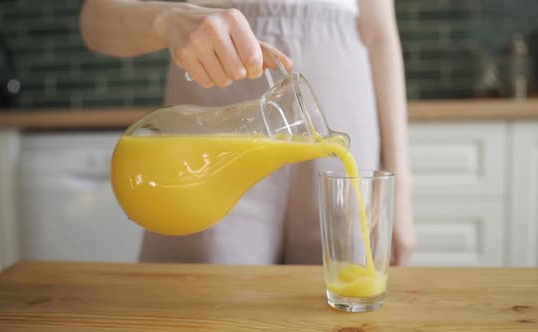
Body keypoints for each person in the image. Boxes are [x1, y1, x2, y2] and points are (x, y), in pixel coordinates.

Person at [80, 0, 417, 266]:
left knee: (339, 291)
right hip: (215, 109)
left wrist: (400, 193)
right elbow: (95, 21)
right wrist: (167, 19)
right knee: (204, 298)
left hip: (343, 99)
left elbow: (380, 34)